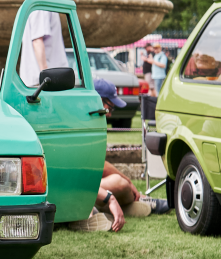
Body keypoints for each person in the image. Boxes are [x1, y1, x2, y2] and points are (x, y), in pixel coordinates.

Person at [71, 77, 169, 231]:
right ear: (98, 101)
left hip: (82, 187)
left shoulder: (90, 126)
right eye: (110, 107)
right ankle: (93, 212)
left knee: (121, 182)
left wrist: (129, 182)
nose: (110, 114)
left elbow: (100, 166)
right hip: (71, 189)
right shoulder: (77, 129)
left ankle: (127, 202)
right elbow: (74, 180)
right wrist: (110, 198)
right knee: (118, 183)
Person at [20, 0, 84, 87]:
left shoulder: (42, 2)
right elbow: (37, 41)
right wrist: (46, 76)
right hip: (41, 83)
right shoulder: (42, 3)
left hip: (41, 81)